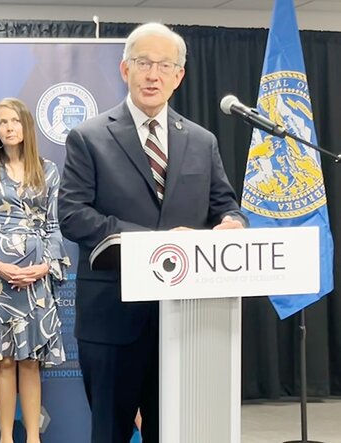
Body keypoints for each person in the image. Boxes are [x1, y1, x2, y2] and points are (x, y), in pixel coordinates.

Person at [58, 23, 247, 443]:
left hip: (187, 320)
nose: (153, 75)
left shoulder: (202, 141)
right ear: (125, 68)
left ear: (179, 76)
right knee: (109, 433)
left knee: (178, 432)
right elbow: (72, 215)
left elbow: (226, 206)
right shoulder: (88, 137)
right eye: (144, 63)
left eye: (165, 66)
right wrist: (153, 244)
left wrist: (233, 224)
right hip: (112, 320)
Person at [0, 98, 70, 443]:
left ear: (26, 127)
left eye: (14, 121)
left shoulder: (48, 170)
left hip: (36, 276)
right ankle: (7, 438)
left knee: (31, 362)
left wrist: (43, 267)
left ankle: (33, 438)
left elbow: (54, 226)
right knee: (4, 361)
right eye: (2, 122)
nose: (8, 128)